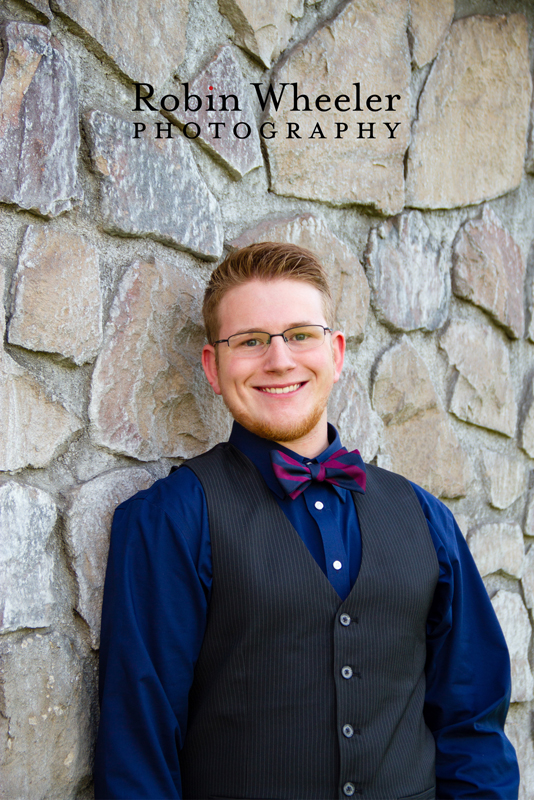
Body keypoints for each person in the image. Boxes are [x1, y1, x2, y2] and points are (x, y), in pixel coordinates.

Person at [94, 242, 519, 800]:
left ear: (336, 354)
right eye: (249, 341)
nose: (279, 359)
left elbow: (473, 726)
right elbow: (138, 754)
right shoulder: (170, 520)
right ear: (213, 368)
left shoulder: (425, 518)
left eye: (300, 335)